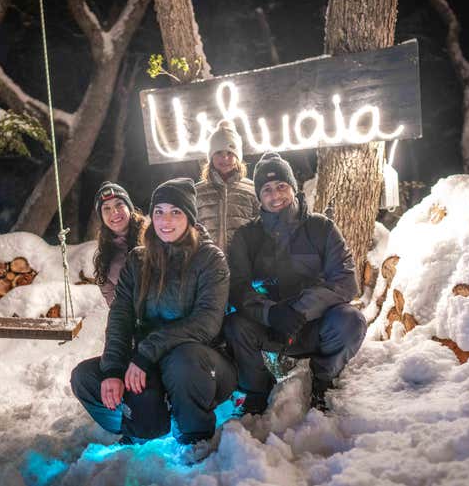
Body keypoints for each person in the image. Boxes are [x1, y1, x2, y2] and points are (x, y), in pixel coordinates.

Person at [71, 178, 237, 446]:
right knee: (85, 377)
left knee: (183, 361)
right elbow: (120, 318)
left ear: (190, 218)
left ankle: (195, 437)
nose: (165, 220)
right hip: (149, 362)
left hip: (200, 362)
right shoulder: (138, 260)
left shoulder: (210, 259)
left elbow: (206, 323)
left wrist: (146, 352)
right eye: (159, 211)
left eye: (175, 212)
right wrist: (113, 369)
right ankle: (137, 424)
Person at [224, 152, 366, 414]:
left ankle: (322, 379)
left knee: (351, 321)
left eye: (281, 186)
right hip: (271, 327)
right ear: (258, 196)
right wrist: (271, 313)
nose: (275, 195)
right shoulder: (246, 236)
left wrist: (299, 311)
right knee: (234, 325)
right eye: (266, 189)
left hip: (314, 325)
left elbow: (346, 281)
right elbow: (238, 289)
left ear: (293, 187)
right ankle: (257, 391)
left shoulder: (321, 227)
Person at [195, 120, 260, 252]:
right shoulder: (197, 192)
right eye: (219, 153)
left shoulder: (252, 190)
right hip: (208, 265)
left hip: (243, 264)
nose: (224, 158)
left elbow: (260, 229)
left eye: (230, 153)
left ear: (238, 157)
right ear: (211, 156)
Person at [92, 181, 149, 306]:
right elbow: (116, 306)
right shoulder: (104, 259)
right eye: (106, 208)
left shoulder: (152, 237)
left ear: (129, 207)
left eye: (119, 204)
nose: (114, 212)